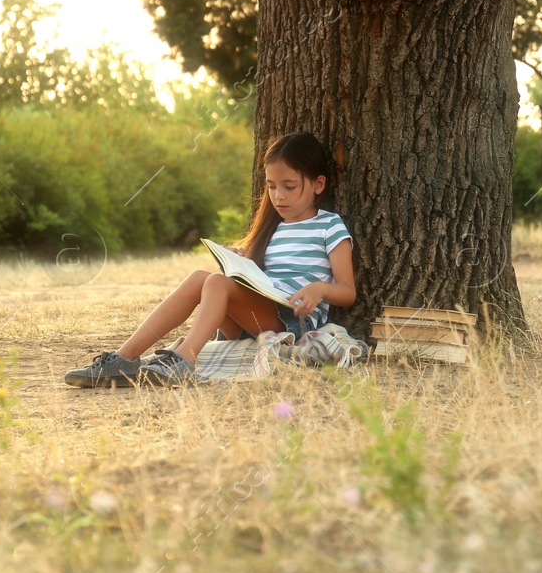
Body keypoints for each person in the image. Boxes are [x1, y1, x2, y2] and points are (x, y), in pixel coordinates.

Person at [64, 131, 355, 388]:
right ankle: (124, 359)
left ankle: (184, 361)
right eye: (271, 186)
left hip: (291, 321)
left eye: (289, 186)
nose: (278, 196)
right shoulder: (271, 227)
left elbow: (347, 291)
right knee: (199, 278)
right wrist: (242, 261)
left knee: (215, 283)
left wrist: (319, 289)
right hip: (256, 314)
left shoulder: (329, 226)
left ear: (318, 185)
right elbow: (263, 280)